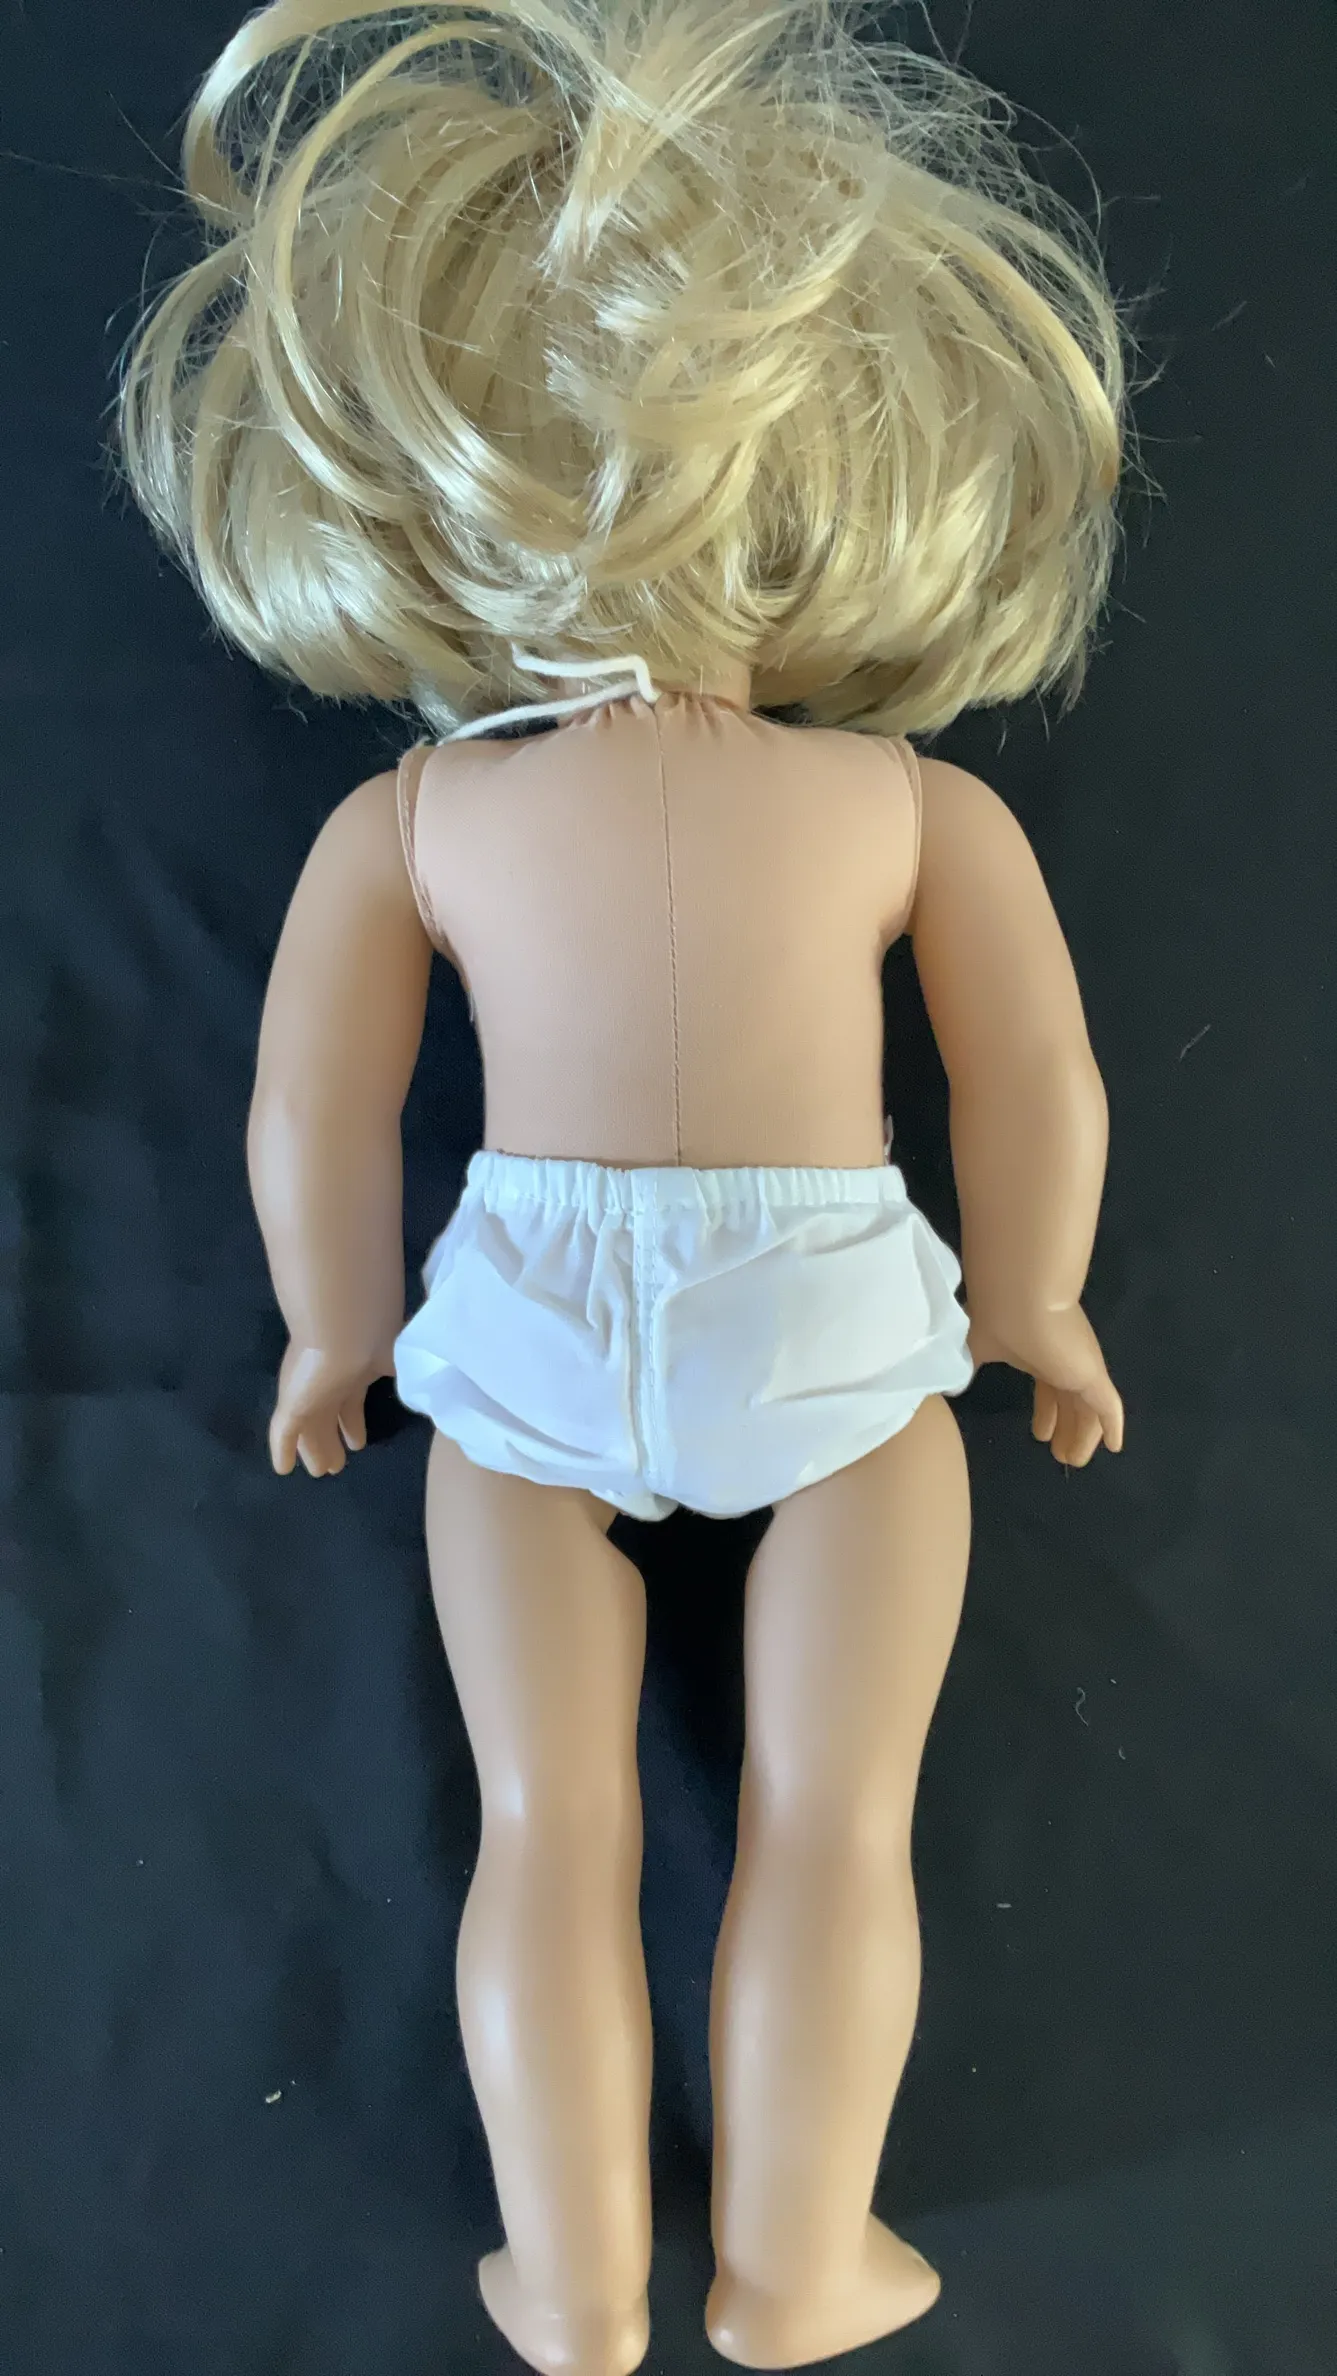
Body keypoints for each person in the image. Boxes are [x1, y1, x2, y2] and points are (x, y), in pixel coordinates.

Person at [118, 4, 1128, 2368]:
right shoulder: (904, 804)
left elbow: (313, 1107)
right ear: (840, 484)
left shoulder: (416, 820)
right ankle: (792, 2272)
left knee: (545, 1826)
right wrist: (1037, 1299)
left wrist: (332, 1330)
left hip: (522, 1326)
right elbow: (1031, 1077)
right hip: (832, 1320)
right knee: (831, 1820)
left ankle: (571, 2293)